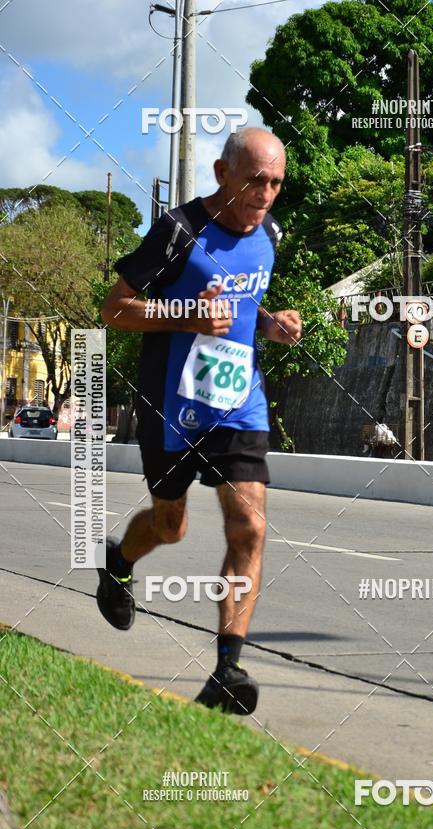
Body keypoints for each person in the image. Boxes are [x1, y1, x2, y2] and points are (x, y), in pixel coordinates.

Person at [97, 127, 301, 716]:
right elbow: (115, 310)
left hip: (240, 404)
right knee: (171, 527)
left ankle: (227, 669)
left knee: (250, 528)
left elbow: (243, 300)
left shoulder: (270, 232)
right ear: (221, 172)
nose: (266, 193)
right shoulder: (179, 232)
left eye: (277, 182)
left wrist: (269, 324)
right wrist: (186, 313)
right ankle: (118, 562)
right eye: (256, 179)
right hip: (172, 408)